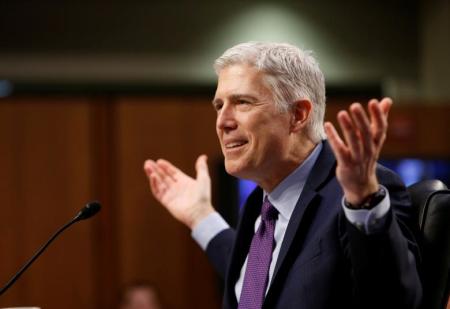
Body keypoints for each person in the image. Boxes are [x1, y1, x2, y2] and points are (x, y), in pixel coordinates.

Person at [143, 42, 422, 309]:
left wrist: (364, 199)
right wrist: (200, 216)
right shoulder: (260, 204)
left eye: (242, 102)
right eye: (219, 105)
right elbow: (262, 281)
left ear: (298, 115)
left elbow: (393, 301)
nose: (222, 122)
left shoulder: (358, 194)